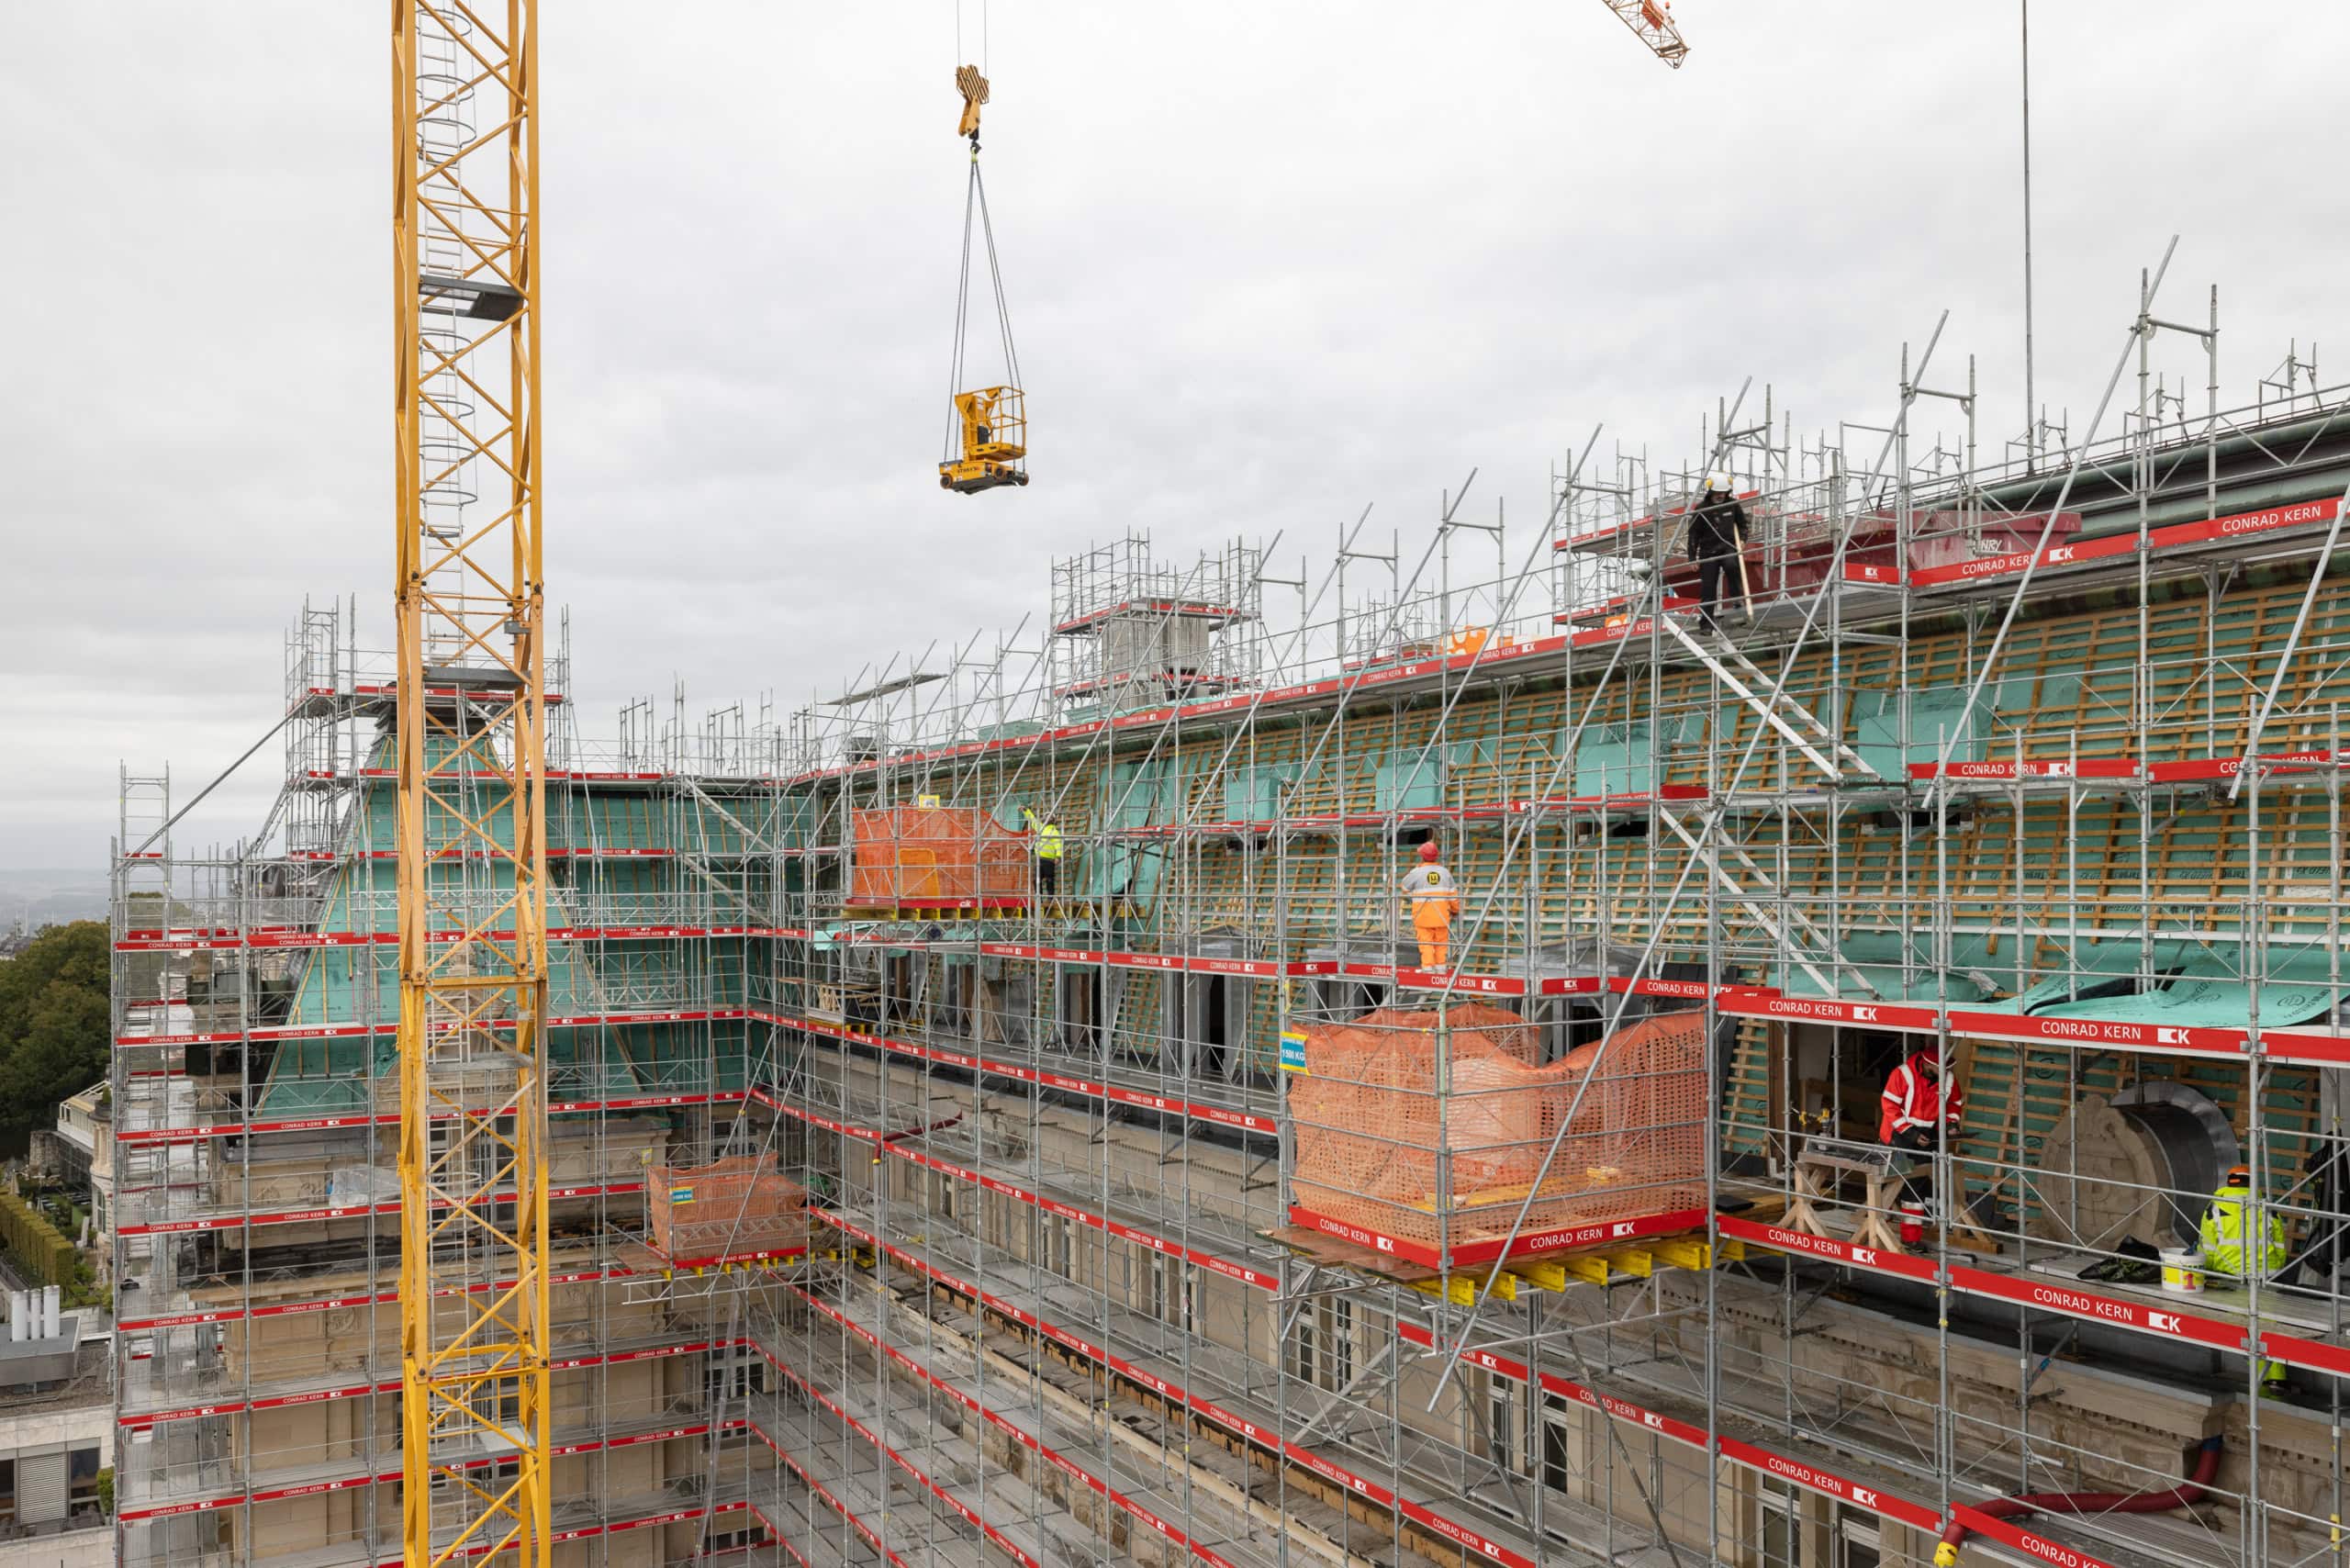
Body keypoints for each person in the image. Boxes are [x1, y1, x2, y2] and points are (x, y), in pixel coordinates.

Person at [2200, 1163, 2289, 1395]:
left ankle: (2259, 1381)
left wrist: (2208, 1274)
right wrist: (2274, 1267)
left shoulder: (2214, 1208)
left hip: (2231, 1277)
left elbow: (2207, 1248)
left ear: (2229, 1182)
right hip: (2266, 1276)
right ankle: (2277, 1379)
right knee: (2269, 1326)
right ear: (2252, 1182)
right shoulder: (2268, 1208)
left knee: (2248, 1331)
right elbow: (2280, 1246)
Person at [1879, 1048, 1963, 1221]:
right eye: (1940, 1069)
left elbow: (1954, 1104)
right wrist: (1910, 1132)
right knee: (1891, 1183)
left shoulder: (1949, 1079)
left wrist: (1951, 1124)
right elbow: (1889, 1106)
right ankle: (1880, 1223)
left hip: (1926, 1137)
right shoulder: (1902, 1074)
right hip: (1897, 1137)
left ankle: (1911, 1237)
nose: (1944, 1073)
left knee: (1915, 1190)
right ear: (1926, 1064)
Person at [1685, 470, 1751, 633]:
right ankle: (1706, 623)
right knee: (1708, 588)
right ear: (1711, 491)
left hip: (1728, 546)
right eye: (1718, 493)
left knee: (1732, 566)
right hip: (1708, 551)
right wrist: (1692, 558)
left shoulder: (1733, 505)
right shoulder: (1701, 509)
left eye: (1724, 492)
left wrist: (1742, 540)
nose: (1721, 495)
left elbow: (1742, 525)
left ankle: (1736, 600)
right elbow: (1693, 535)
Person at [1400, 840, 1461, 970]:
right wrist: (1456, 910)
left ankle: (1428, 971)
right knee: (1441, 945)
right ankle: (1441, 971)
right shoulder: (1445, 872)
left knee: (1426, 945)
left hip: (1423, 918)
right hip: (1441, 917)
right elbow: (1454, 896)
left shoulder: (1417, 872)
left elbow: (1404, 887)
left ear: (1422, 856)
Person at [1022, 807, 1063, 899]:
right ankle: (1039, 898)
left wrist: (1058, 857)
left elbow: (1058, 845)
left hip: (1049, 860)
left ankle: (1050, 898)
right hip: (1039, 859)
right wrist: (1026, 810)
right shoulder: (1041, 828)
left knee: (1049, 879)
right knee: (1037, 880)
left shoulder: (1054, 832)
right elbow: (1032, 819)